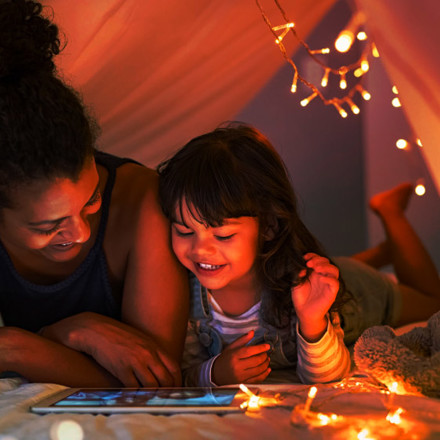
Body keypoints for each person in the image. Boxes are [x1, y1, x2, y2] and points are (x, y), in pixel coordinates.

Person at [157, 123, 440, 387]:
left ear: (268, 226)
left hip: (355, 293)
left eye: (223, 236)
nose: (199, 249)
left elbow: (329, 375)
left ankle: (391, 213)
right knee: (336, 266)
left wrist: (313, 321)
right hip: (316, 269)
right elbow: (181, 373)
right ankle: (382, 253)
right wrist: (214, 372)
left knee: (432, 301)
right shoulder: (182, 295)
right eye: (184, 231)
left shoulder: (301, 288)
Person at [0, 0, 188, 387]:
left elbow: (155, 383)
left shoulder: (140, 201)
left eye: (91, 200)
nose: (81, 232)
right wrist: (65, 334)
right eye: (49, 225)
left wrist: (27, 344)